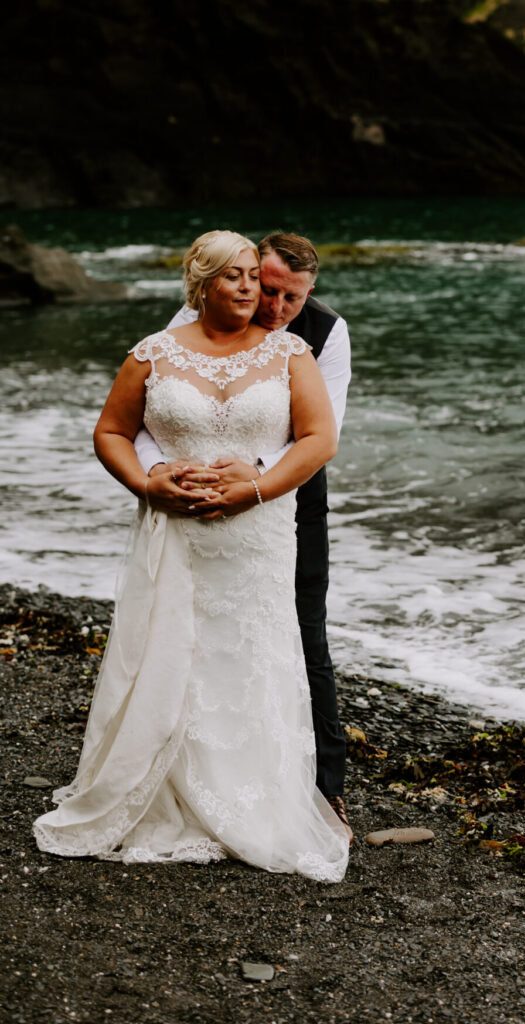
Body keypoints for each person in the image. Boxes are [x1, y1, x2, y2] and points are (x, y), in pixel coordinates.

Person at [33, 230, 350, 881]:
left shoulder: (299, 349)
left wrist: (254, 485)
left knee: (259, 649)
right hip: (176, 530)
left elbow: (320, 438)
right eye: (235, 276)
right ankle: (156, 785)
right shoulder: (155, 351)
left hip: (261, 529)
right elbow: (115, 430)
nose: (253, 290)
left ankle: (274, 795)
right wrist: (150, 481)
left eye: (253, 279)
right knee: (172, 646)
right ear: (201, 283)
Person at [137, 233, 352, 838]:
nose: (276, 306)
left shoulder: (326, 334)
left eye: (293, 297)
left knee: (302, 629)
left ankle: (324, 789)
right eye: (270, 288)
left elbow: (320, 429)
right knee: (187, 628)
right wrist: (158, 470)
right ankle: (182, 770)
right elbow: (155, 407)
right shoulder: (198, 314)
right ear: (252, 271)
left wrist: (255, 477)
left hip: (291, 498)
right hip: (193, 497)